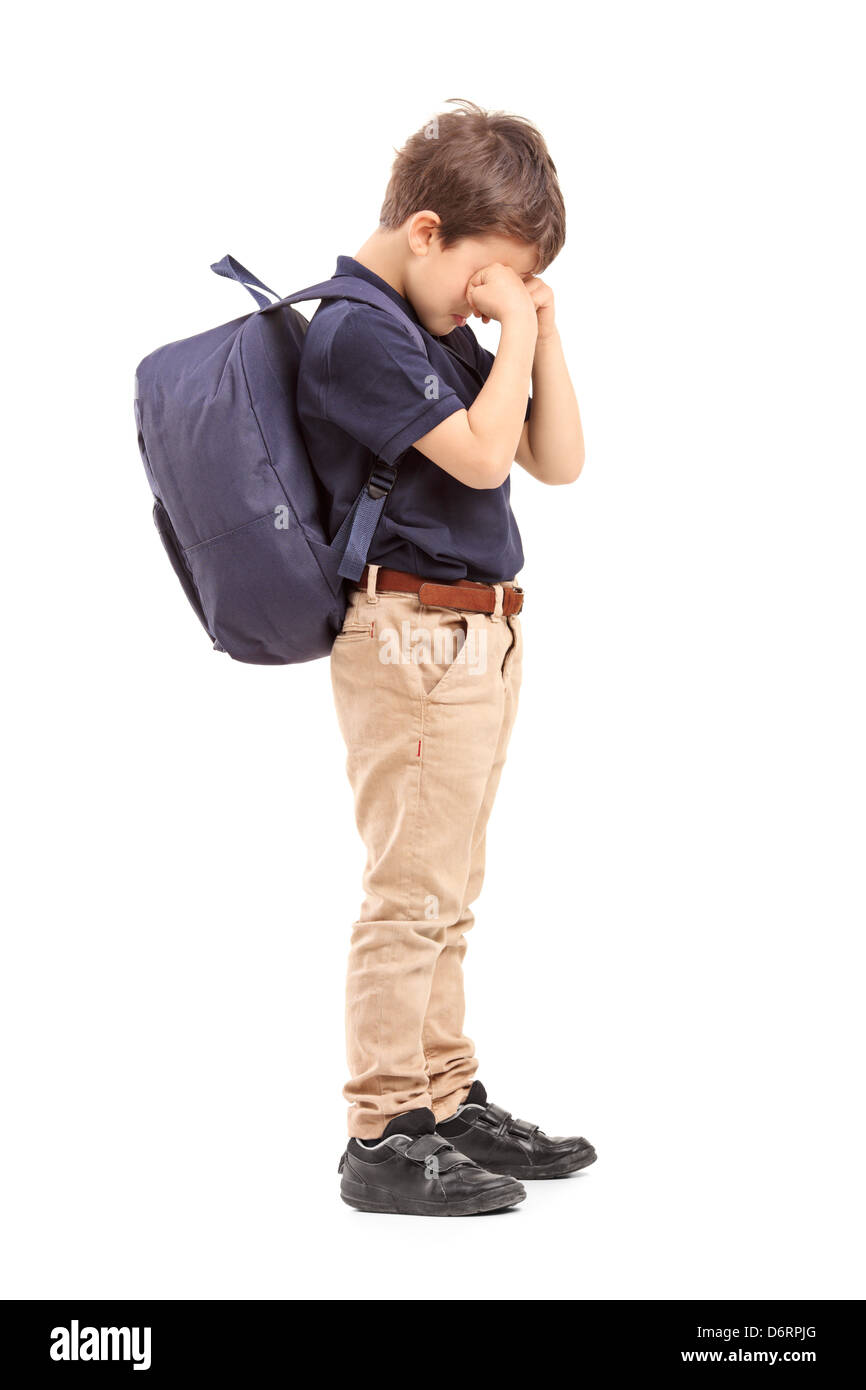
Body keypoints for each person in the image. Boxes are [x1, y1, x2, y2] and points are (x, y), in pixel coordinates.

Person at [297, 99, 596, 1216]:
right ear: (425, 233)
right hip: (413, 637)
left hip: (477, 632)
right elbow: (479, 461)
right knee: (409, 894)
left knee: (449, 890)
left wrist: (535, 330)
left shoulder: (435, 330)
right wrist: (509, 330)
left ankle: (442, 1092)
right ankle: (381, 1130)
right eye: (486, 275)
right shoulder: (358, 329)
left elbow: (554, 460)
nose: (492, 301)